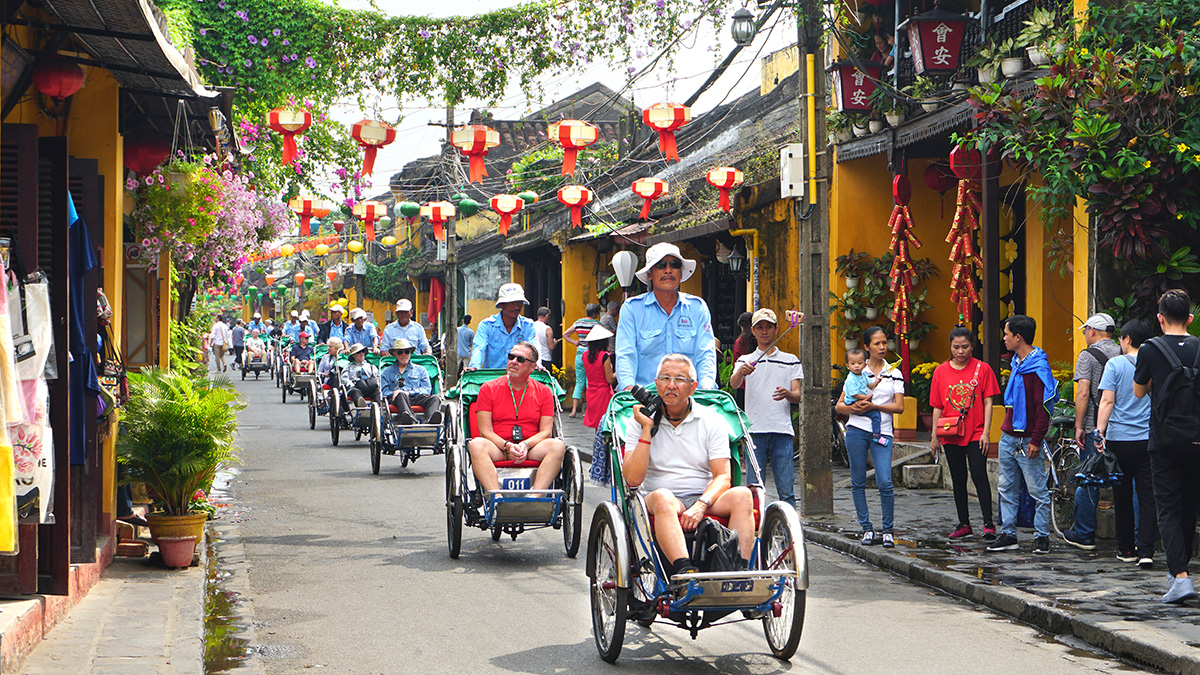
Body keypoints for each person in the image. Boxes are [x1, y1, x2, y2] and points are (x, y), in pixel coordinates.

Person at [622, 354, 756, 575]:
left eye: (680, 379)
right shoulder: (638, 422)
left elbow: (723, 476)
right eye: (665, 378)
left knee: (743, 495)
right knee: (663, 496)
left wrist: (700, 505)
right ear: (656, 385)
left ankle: (738, 572)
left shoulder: (712, 421)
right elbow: (633, 479)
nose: (671, 385)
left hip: (703, 496)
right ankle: (685, 573)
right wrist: (646, 428)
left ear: (693, 387)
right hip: (659, 498)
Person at [1134, 289, 1200, 604]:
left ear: (1159, 318)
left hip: (1163, 441)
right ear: (1190, 317)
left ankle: (1181, 577)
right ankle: (1179, 571)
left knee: (1169, 508)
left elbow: (1138, 391)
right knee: (1189, 508)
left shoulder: (1149, 349)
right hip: (1197, 439)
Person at [987, 315, 1057, 555]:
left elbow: (1044, 407)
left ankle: (1041, 536)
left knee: (1037, 489)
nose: (1004, 338)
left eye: (1006, 334)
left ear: (1018, 337)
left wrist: (1036, 439)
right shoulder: (1017, 362)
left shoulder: (1037, 367)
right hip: (1009, 436)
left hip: (1028, 439)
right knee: (1006, 487)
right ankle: (1008, 533)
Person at [835, 326, 905, 548]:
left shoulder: (894, 372)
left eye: (885, 342)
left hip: (882, 431)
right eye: (877, 343)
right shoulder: (856, 372)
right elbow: (839, 406)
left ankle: (888, 530)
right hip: (856, 430)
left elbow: (899, 407)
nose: (882, 347)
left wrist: (874, 405)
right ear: (866, 348)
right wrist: (854, 407)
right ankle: (866, 528)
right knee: (858, 481)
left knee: (885, 480)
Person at [930, 327, 1002, 541]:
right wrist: (934, 436)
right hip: (950, 432)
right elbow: (937, 406)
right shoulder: (940, 372)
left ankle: (988, 523)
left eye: (965, 347)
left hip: (976, 431)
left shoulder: (983, 369)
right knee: (958, 478)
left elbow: (989, 402)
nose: (960, 351)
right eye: (956, 347)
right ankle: (964, 523)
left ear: (972, 346)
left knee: (979, 475)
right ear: (950, 347)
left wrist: (986, 432)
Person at [615, 243, 717, 391]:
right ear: (650, 274)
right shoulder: (632, 309)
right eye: (661, 265)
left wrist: (706, 390)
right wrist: (630, 391)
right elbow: (626, 355)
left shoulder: (697, 308)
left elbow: (705, 355)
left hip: (689, 400)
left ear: (681, 274)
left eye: (674, 265)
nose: (668, 270)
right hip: (645, 398)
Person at [1096, 318, 1156, 568]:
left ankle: (1125, 549)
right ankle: (1146, 551)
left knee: (1121, 495)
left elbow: (1107, 401)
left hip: (1119, 439)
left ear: (1128, 339)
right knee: (1147, 497)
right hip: (1147, 438)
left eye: (1121, 338)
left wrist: (1099, 431)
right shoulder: (1153, 363)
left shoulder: (1115, 364)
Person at [729, 308, 804, 507]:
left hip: (782, 430)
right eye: (760, 327)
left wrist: (787, 394)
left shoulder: (790, 360)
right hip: (754, 430)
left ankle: (790, 529)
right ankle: (756, 530)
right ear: (752, 331)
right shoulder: (745, 360)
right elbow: (734, 384)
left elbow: (797, 394)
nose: (764, 332)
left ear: (776, 329)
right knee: (754, 489)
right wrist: (741, 372)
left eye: (768, 327)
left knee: (786, 488)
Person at [467, 341, 565, 491]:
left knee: (558, 446)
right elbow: (485, 431)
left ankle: (536, 498)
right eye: (511, 357)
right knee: (476, 444)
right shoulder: (488, 388)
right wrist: (508, 446)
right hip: (498, 448)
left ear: (532, 367)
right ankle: (496, 498)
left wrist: (525, 445)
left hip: (531, 448)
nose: (513, 362)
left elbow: (546, 431)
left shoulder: (544, 391)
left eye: (520, 359)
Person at [1062, 313, 1122, 550]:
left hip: (1094, 428)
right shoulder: (1123, 352)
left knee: (1089, 479)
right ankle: (1134, 538)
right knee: (1127, 482)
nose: (1085, 335)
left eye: (1085, 330)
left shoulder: (1087, 356)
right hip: (1121, 427)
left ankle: (1084, 533)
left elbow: (1083, 393)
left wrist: (1078, 426)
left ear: (1093, 331)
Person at [468, 283, 537, 370]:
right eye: (512, 304)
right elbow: (479, 348)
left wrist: (538, 366)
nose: (517, 307)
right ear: (501, 305)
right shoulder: (486, 325)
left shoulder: (528, 325)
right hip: (493, 378)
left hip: (519, 377)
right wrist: (474, 367)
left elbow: (534, 349)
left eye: (519, 303)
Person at [381, 338, 442, 425]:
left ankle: (430, 421)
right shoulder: (386, 372)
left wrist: (409, 393)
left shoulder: (421, 370)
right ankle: (411, 420)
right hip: (397, 400)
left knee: (435, 398)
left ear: (410, 353)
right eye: (400, 352)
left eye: (406, 352)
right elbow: (384, 392)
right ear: (394, 354)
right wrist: (394, 392)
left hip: (416, 397)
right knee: (401, 394)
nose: (404, 355)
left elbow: (427, 389)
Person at [564, 303, 601, 417]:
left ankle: (574, 410)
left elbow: (565, 334)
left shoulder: (578, 322)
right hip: (591, 354)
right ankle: (589, 410)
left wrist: (575, 342)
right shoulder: (596, 324)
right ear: (595, 313)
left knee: (579, 382)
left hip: (579, 353)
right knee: (589, 382)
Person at [843, 349, 886, 445]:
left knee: (873, 411)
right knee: (875, 415)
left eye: (859, 363)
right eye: (853, 363)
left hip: (859, 399)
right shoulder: (850, 379)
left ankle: (875, 434)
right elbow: (854, 394)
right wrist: (865, 397)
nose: (856, 366)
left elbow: (871, 386)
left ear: (865, 365)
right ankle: (876, 436)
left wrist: (877, 381)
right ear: (848, 366)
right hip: (852, 401)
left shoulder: (863, 375)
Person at [581, 325, 616, 429]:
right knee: (605, 425)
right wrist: (618, 372)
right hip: (603, 394)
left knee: (597, 426)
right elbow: (610, 379)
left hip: (591, 392)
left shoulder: (585, 355)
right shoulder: (604, 356)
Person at [729, 311, 755, 408]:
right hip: (757, 384)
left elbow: (735, 362)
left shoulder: (739, 342)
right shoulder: (758, 341)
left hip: (742, 385)